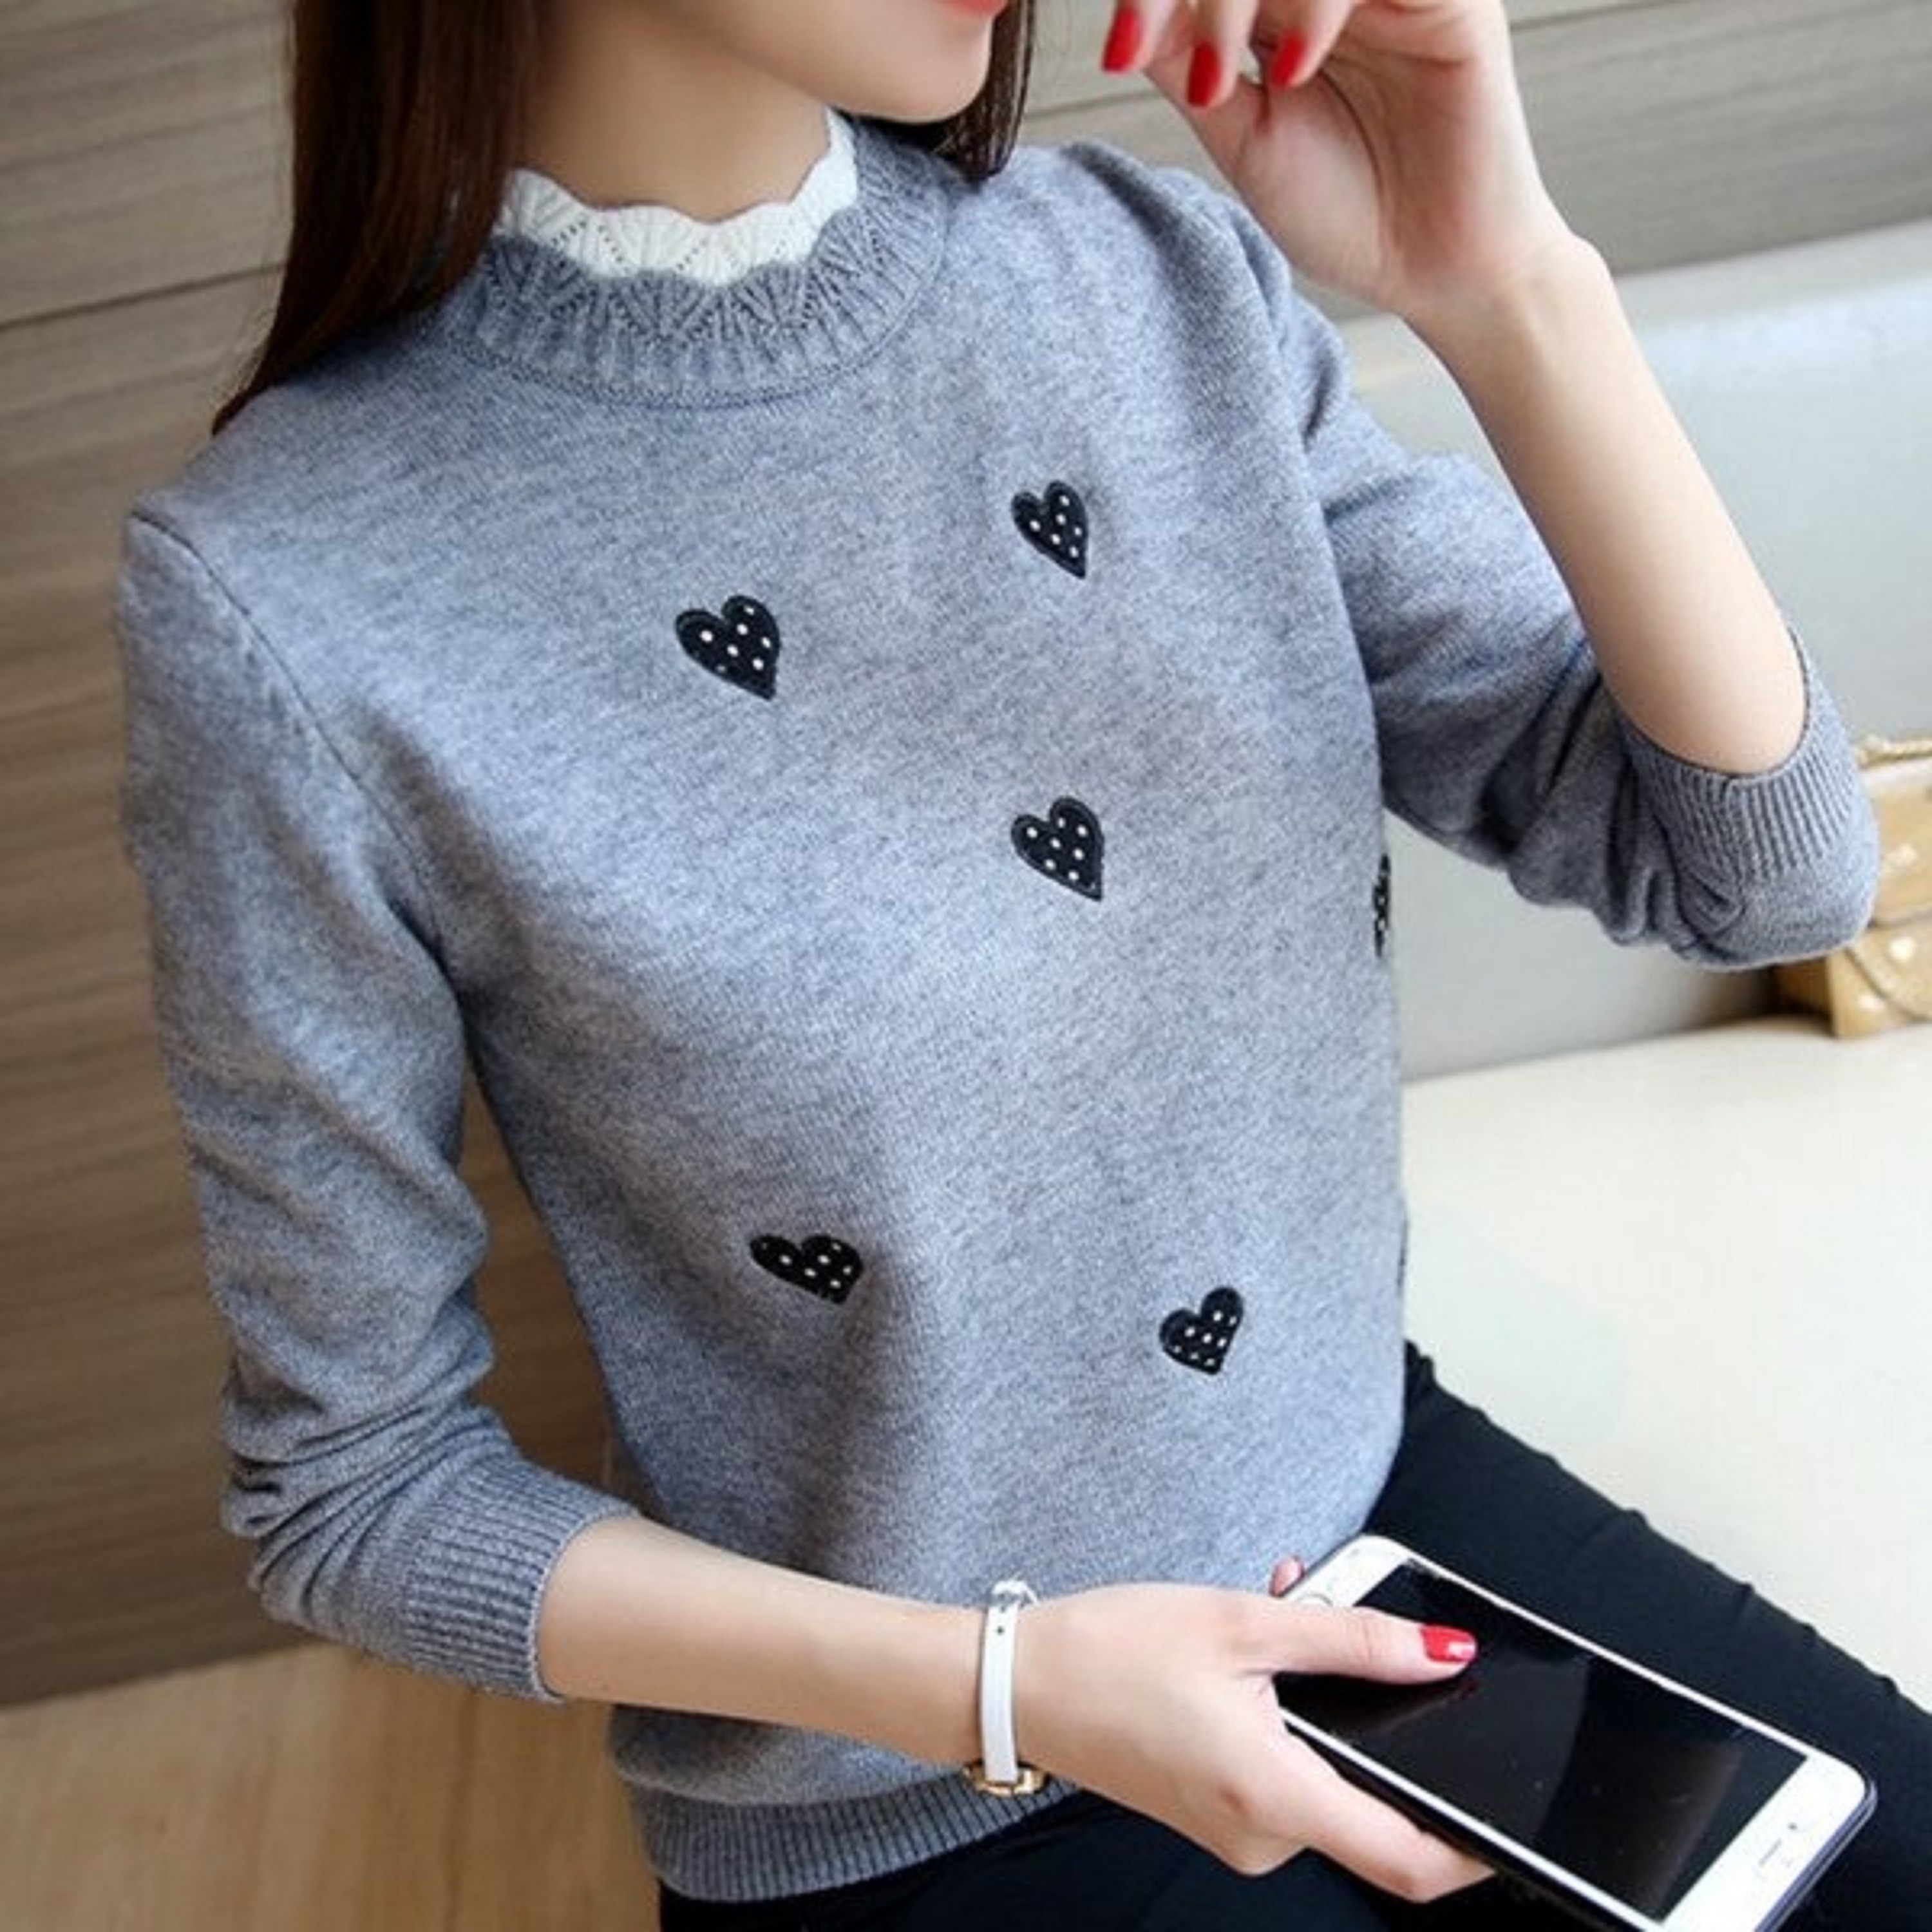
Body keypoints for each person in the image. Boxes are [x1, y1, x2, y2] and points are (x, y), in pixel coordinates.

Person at [110, 0, 1929, 1924]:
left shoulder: (1149, 278)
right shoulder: (286, 591)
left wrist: (1508, 286)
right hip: (912, 1785)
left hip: (1367, 1531)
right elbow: (358, 1490)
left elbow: (1768, 881)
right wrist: (1009, 1684)